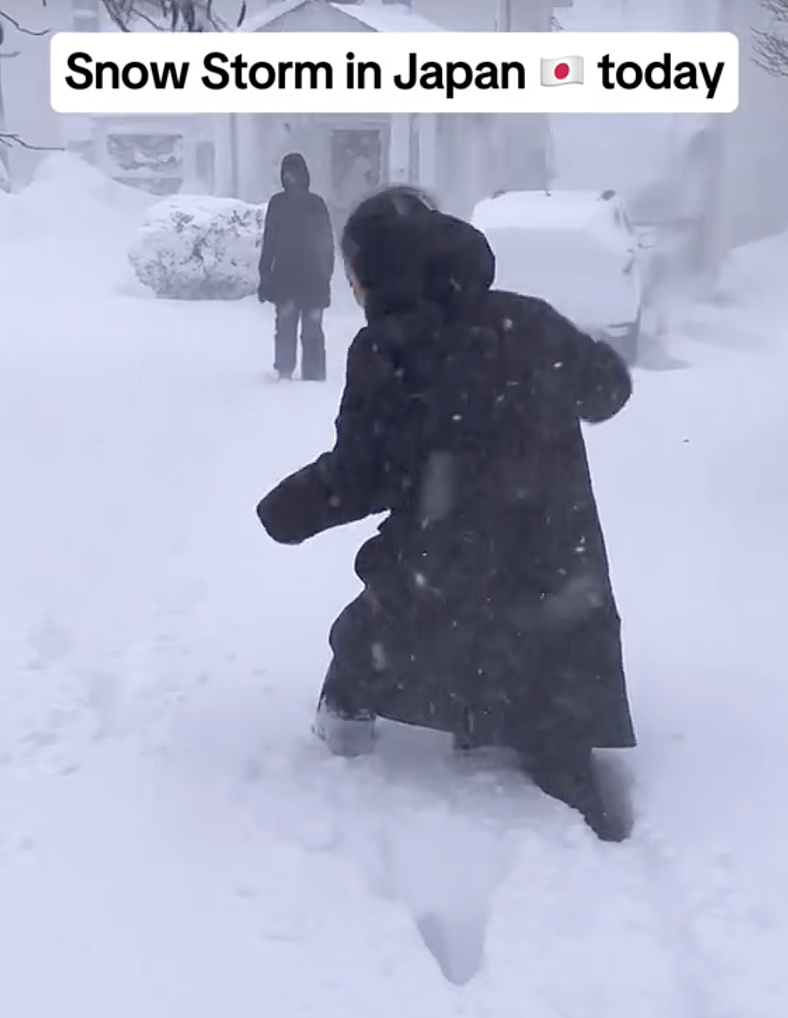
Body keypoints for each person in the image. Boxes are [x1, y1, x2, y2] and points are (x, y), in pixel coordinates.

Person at [256, 186, 636, 842]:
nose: (352, 286)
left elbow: (361, 476)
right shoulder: (528, 320)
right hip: (557, 565)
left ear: (380, 271)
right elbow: (607, 389)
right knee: (553, 697)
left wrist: (287, 510)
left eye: (354, 272)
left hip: (447, 569)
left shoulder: (386, 349)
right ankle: (573, 785)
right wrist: (567, 361)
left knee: (363, 649)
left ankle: (341, 754)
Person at [257, 152, 335, 381]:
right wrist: (326, 275)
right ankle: (310, 372)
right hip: (307, 276)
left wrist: (265, 276)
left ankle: (286, 370)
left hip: (289, 275)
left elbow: (270, 242)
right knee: (308, 327)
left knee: (287, 325)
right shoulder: (314, 203)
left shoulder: (280, 203)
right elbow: (326, 243)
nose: (289, 178)